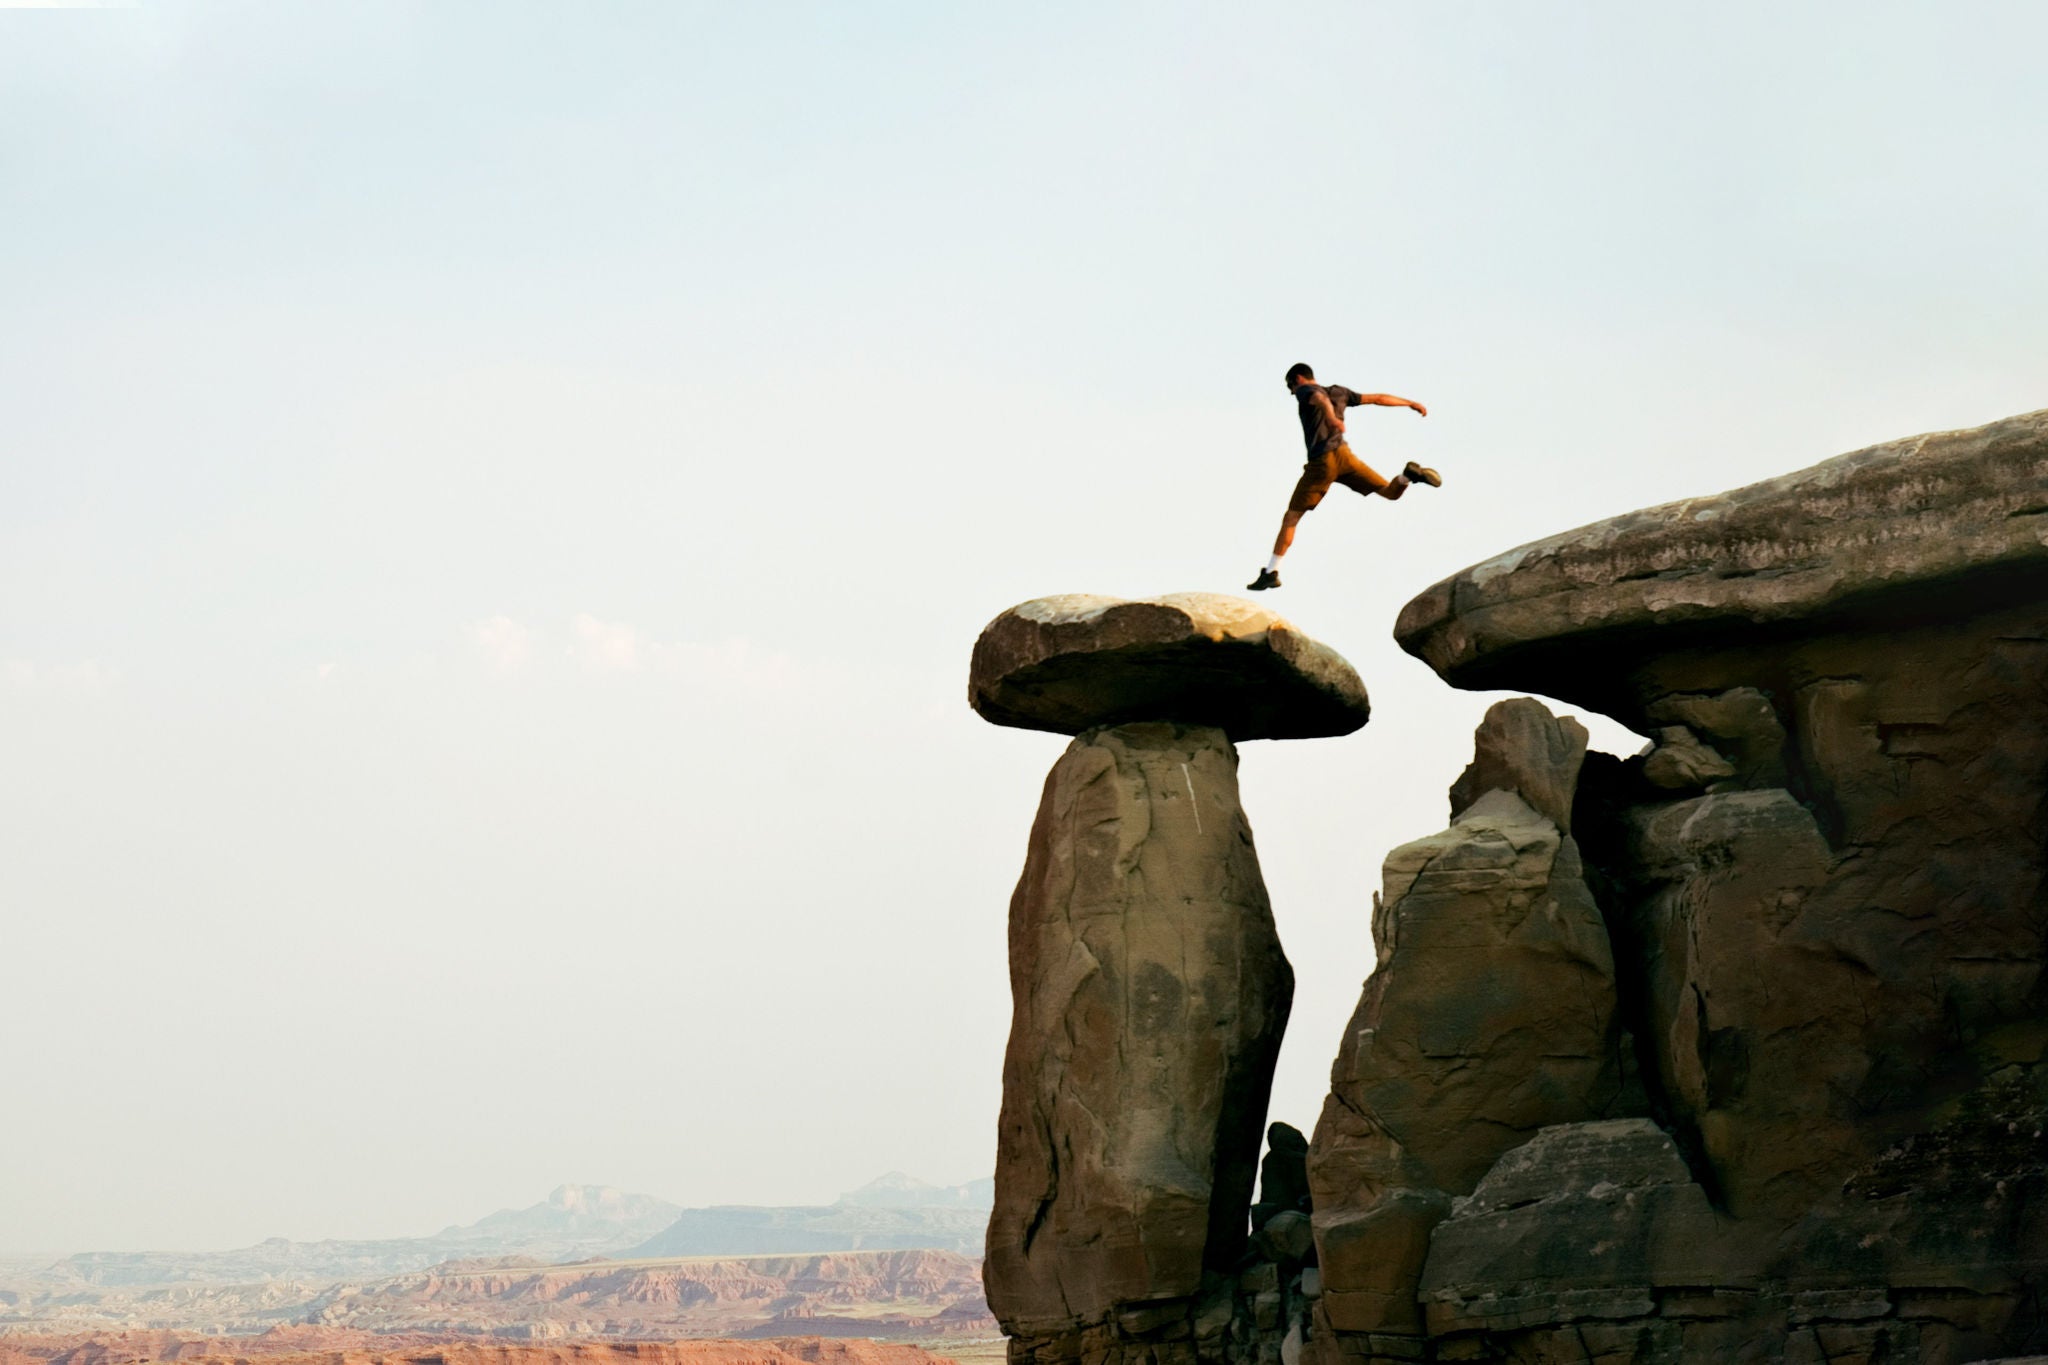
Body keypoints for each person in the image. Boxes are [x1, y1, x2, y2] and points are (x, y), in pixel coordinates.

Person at [1247, 362, 1441, 591]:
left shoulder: (1306, 390)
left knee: (1291, 517)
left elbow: (1319, 398)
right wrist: (1409, 403)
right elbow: (1377, 398)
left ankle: (1271, 571)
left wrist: (1330, 418)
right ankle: (1407, 476)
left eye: (1290, 387)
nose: (1292, 392)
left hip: (1322, 462)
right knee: (1390, 493)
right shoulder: (1340, 392)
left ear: (1298, 379)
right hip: (1345, 457)